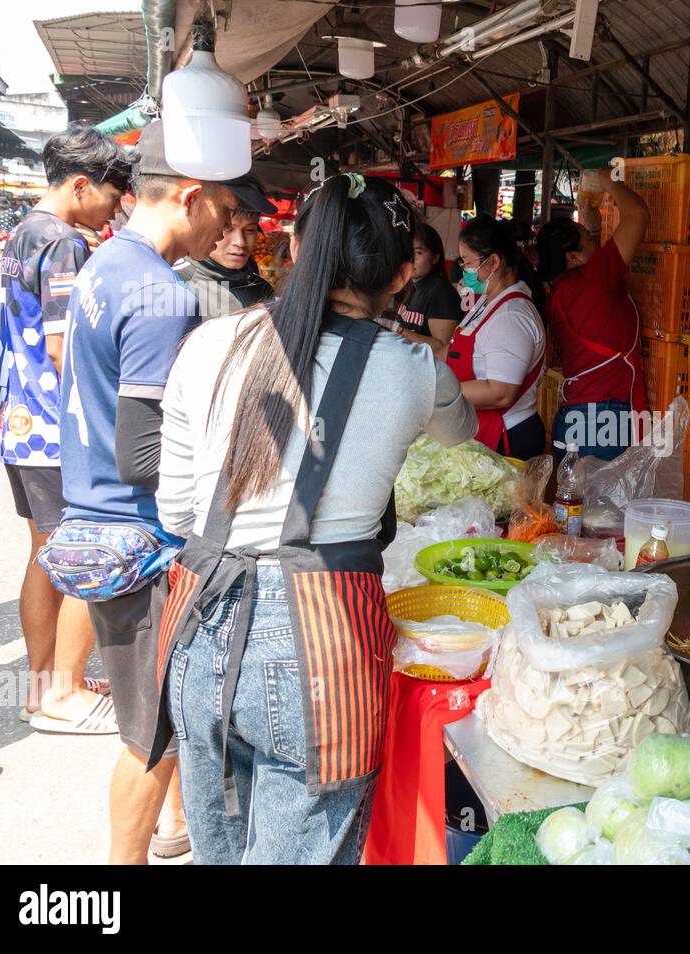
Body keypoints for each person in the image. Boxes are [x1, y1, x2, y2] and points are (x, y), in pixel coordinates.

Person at [148, 172, 476, 864]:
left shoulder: (208, 342)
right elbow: (460, 431)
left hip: (199, 629)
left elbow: (176, 509)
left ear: (297, 248)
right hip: (319, 650)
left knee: (221, 852)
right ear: (402, 277)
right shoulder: (414, 367)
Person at [54, 119, 241, 864]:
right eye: (225, 213)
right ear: (191, 197)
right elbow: (143, 453)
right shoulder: (158, 291)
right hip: (137, 537)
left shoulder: (107, 265)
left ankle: (172, 829)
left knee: (152, 716)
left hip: (95, 517)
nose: (230, 228)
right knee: (154, 732)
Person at [0, 125, 132, 732]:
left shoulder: (21, 230)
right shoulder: (63, 243)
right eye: (109, 194)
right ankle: (63, 693)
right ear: (81, 185)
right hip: (54, 428)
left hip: (19, 423)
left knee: (43, 552)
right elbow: (61, 347)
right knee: (77, 551)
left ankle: (42, 684)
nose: (113, 209)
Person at [535, 172, 651, 460]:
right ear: (573, 258)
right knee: (605, 505)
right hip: (603, 422)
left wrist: (591, 223)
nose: (598, 243)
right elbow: (637, 214)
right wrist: (609, 184)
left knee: (572, 504)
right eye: (589, 239)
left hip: (575, 416)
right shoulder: (593, 280)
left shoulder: (559, 292)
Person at [437, 214, 547, 458]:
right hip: (479, 429)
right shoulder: (487, 304)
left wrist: (434, 394)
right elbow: (453, 350)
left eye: (467, 261)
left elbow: (500, 392)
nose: (463, 269)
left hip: (506, 435)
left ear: (493, 261)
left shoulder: (511, 316)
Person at [174, 183, 276, 318]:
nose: (240, 242)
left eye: (250, 230)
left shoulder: (261, 289)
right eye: (227, 228)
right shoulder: (178, 284)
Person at [395, 221, 462, 349]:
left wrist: (398, 330)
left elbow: (442, 346)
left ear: (435, 257)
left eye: (418, 252)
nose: (411, 259)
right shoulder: (414, 286)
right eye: (408, 252)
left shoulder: (441, 292)